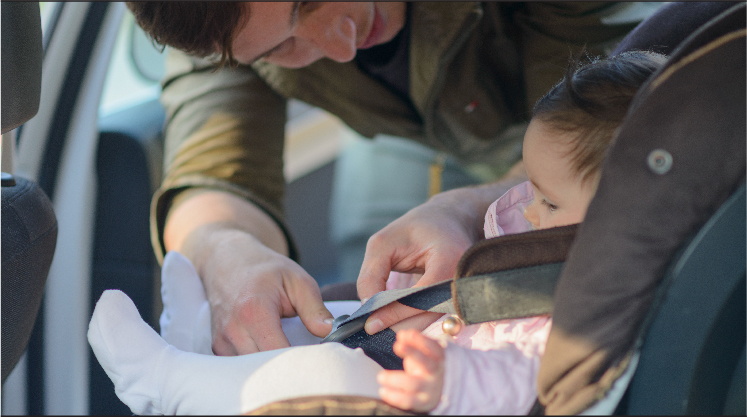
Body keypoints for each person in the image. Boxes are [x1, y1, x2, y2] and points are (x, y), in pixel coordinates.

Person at [88, 50, 667, 415]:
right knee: (333, 313)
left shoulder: (594, 298)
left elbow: (535, 374)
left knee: (327, 373)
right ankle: (193, 342)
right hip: (440, 338)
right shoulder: (553, 228)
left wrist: (452, 382)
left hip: (442, 386)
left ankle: (163, 383)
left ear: (623, 211)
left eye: (547, 200)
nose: (525, 209)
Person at [125, 1, 645, 356]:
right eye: (277, 50)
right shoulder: (224, 24)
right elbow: (211, 171)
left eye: (310, 0)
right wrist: (224, 252)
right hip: (408, 144)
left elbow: (609, 132)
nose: (343, 46)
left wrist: (467, 208)